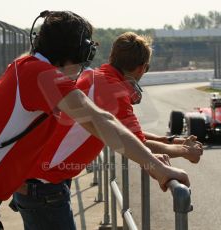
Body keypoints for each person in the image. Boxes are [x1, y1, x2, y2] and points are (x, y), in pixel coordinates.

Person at [0, 12, 189, 229]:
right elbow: (101, 121)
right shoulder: (42, 76)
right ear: (79, 50)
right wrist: (159, 169)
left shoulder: (24, 67)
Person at [12, 32, 202, 230]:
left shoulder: (94, 77)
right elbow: (139, 145)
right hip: (44, 187)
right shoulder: (114, 90)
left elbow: (124, 134)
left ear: (113, 57)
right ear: (141, 68)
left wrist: (168, 141)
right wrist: (186, 152)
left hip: (36, 181)